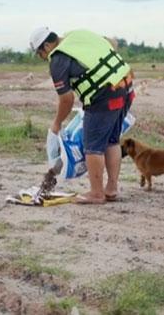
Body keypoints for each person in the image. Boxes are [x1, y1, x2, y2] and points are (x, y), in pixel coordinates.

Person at [30, 27, 134, 204]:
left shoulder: (57, 59)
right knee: (112, 140)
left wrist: (57, 123)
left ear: (46, 46)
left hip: (104, 95)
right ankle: (111, 188)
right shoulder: (76, 35)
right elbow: (112, 43)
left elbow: (66, 99)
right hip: (125, 86)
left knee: (92, 146)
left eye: (40, 54)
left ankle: (96, 193)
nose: (42, 58)